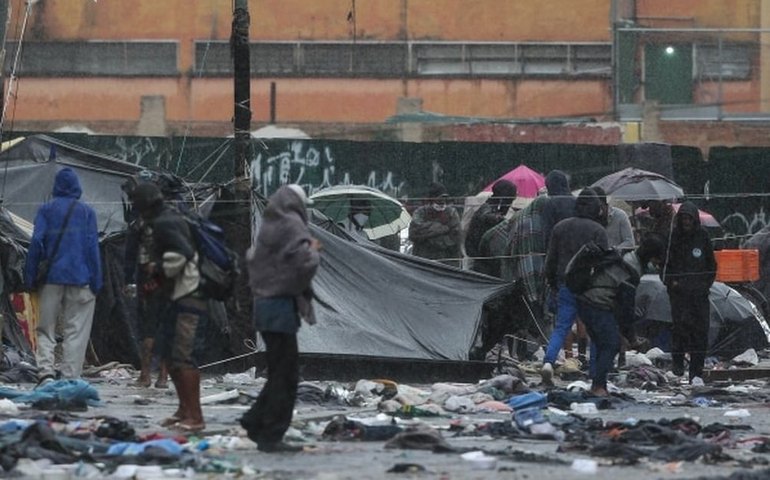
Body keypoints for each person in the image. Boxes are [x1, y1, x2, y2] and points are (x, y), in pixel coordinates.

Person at [240, 184, 321, 453]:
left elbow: (255, 259)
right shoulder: (293, 224)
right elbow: (305, 262)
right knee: (286, 375)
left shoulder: (269, 225)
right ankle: (271, 434)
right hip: (281, 307)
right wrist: (314, 249)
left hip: (263, 306)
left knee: (278, 372)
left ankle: (254, 421)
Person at [131, 182, 208, 432]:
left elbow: (183, 254)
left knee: (184, 356)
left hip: (188, 295)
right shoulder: (166, 220)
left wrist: (158, 269)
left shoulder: (165, 223)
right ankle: (183, 409)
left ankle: (195, 416)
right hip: (175, 296)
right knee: (171, 354)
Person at [25, 167, 102, 385]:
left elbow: (36, 244)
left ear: (56, 187)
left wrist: (30, 277)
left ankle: (46, 374)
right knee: (76, 331)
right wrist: (97, 281)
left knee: (45, 328)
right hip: (81, 279)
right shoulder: (88, 213)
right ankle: (70, 377)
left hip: (51, 279)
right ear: (77, 187)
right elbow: (92, 249)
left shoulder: (46, 210)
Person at [541, 188, 608, 386]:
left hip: (565, 283)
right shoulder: (598, 231)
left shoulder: (561, 227)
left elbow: (551, 259)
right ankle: (595, 370)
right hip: (591, 287)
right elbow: (605, 262)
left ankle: (548, 362)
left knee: (562, 326)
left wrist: (552, 282)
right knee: (594, 329)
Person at [661, 201, 717, 385]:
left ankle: (696, 373)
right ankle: (678, 364)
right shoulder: (674, 237)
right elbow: (665, 266)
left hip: (699, 295)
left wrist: (704, 285)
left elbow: (711, 265)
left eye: (689, 218)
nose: (686, 222)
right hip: (679, 295)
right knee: (680, 329)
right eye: (683, 218)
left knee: (699, 333)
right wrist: (672, 283)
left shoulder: (703, 236)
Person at [122, 175, 169, 389]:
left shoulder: (138, 223)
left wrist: (128, 279)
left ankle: (145, 374)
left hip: (147, 281)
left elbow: (130, 254)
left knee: (147, 327)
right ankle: (163, 377)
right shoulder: (171, 219)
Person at [465, 180, 517, 269]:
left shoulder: (492, 208)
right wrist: (502, 220)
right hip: (481, 262)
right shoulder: (487, 210)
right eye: (510, 200)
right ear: (503, 199)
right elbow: (486, 217)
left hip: (485, 260)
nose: (511, 203)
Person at [408, 182, 462, 267]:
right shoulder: (420, 212)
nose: (442, 201)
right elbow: (413, 233)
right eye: (439, 198)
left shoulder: (451, 213)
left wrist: (430, 237)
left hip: (446, 261)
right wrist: (442, 228)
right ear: (431, 199)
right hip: (423, 260)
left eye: (444, 198)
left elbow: (456, 237)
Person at [542, 170, 576, 249]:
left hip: (558, 247)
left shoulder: (550, 203)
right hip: (576, 245)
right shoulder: (576, 200)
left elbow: (547, 231)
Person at [592, 186, 635, 250]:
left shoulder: (620, 215)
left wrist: (613, 250)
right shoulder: (591, 218)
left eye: (597, 206)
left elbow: (629, 242)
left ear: (603, 203)